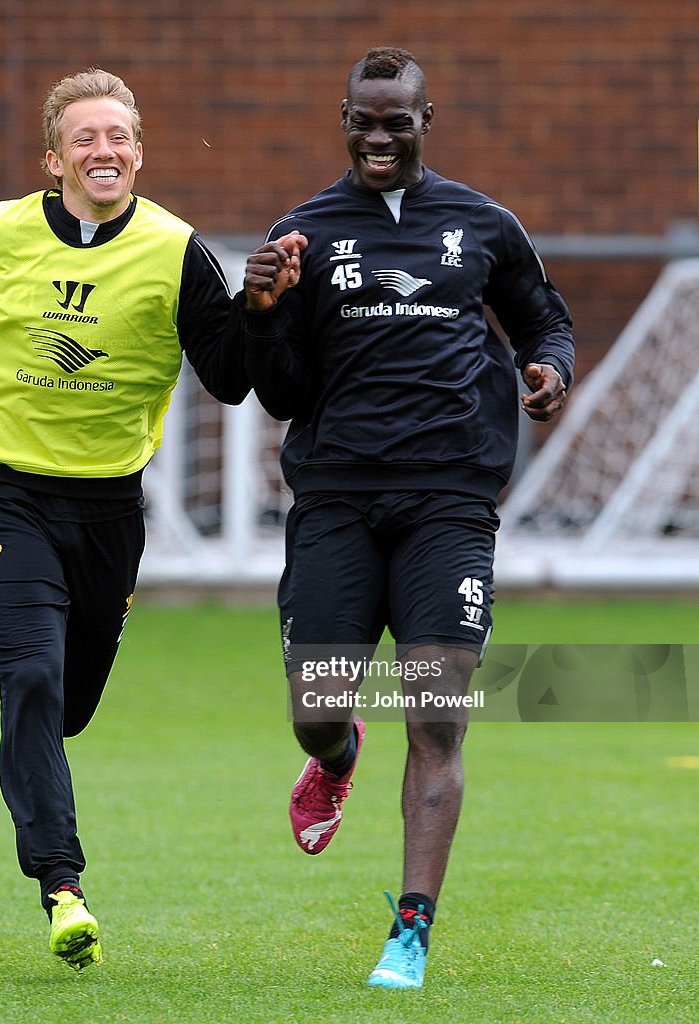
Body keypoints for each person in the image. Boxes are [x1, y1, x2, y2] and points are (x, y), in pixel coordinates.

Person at [0, 68, 251, 971]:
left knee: (65, 708)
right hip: (3, 489)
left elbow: (228, 376)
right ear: (53, 157)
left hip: (106, 501)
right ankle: (62, 887)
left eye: (119, 137)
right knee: (34, 682)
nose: (102, 151)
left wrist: (261, 310)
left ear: (139, 153)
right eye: (85, 138)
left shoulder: (178, 250)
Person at [236, 47, 573, 990]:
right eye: (362, 120)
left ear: (429, 120)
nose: (377, 137)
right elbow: (281, 390)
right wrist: (262, 309)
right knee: (314, 713)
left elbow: (543, 320)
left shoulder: (483, 225)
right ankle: (335, 762)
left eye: (396, 121)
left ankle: (411, 930)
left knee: (436, 717)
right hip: (336, 498)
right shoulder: (301, 232)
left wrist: (550, 372)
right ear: (341, 120)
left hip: (449, 501)